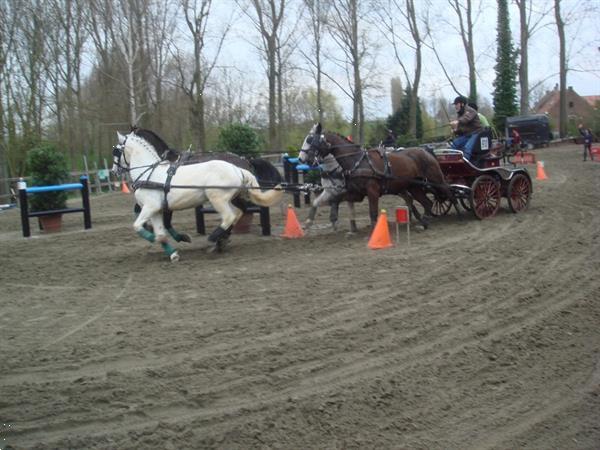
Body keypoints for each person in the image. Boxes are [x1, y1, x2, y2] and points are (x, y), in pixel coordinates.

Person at [450, 96, 483, 160]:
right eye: (455, 105)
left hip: (476, 133)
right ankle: (452, 160)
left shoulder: (470, 110)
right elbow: (461, 129)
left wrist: (457, 121)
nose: (455, 106)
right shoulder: (460, 114)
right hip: (467, 135)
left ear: (462, 104)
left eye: (456, 104)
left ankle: (464, 163)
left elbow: (466, 119)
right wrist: (455, 130)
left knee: (467, 148)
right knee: (455, 143)